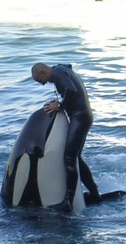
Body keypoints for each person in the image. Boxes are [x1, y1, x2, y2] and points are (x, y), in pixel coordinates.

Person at [31, 63, 101, 212]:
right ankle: (94, 194)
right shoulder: (61, 70)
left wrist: (60, 106)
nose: (42, 84)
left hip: (80, 117)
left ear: (43, 72)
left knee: (69, 157)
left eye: (40, 80)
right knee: (75, 157)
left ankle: (67, 202)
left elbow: (71, 90)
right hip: (83, 116)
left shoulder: (58, 74)